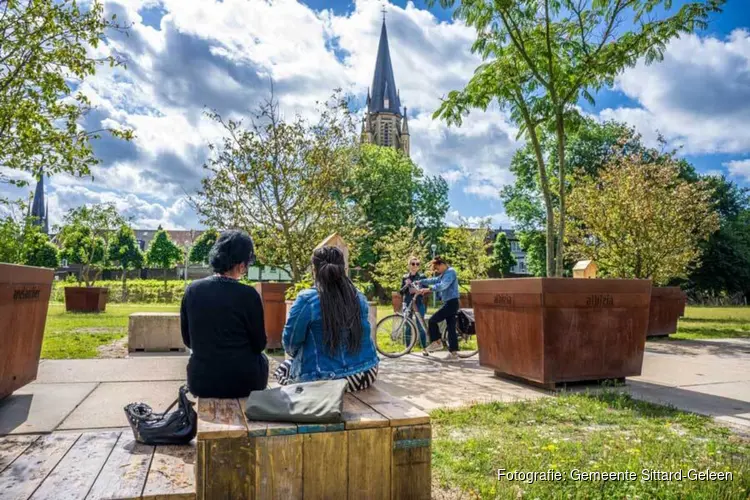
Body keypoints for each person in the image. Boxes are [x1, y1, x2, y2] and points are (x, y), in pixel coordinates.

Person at [275, 246, 379, 392]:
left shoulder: (307, 299)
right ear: (344, 269)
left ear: (314, 270)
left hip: (325, 380)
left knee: (283, 369)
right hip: (367, 373)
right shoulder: (358, 297)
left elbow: (291, 343)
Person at [180, 230, 268, 398]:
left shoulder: (192, 290)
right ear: (242, 265)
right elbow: (259, 344)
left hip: (202, 382)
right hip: (246, 383)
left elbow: (188, 341)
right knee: (261, 359)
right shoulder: (249, 295)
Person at [415, 256, 461, 361]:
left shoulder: (450, 272)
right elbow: (434, 280)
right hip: (450, 302)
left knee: (432, 320)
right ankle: (454, 354)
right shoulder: (444, 274)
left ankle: (437, 342)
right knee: (451, 328)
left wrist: (429, 289)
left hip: (451, 303)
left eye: (437, 268)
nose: (437, 271)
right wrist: (421, 282)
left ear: (442, 264)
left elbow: (443, 285)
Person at [400, 256, 427, 347]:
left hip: (418, 304)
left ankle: (424, 348)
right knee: (407, 326)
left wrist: (419, 291)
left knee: (421, 326)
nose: (415, 265)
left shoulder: (422, 276)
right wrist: (406, 285)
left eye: (417, 264)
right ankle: (407, 348)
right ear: (409, 265)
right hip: (407, 303)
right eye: (413, 264)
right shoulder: (405, 277)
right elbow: (401, 292)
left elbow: (426, 290)